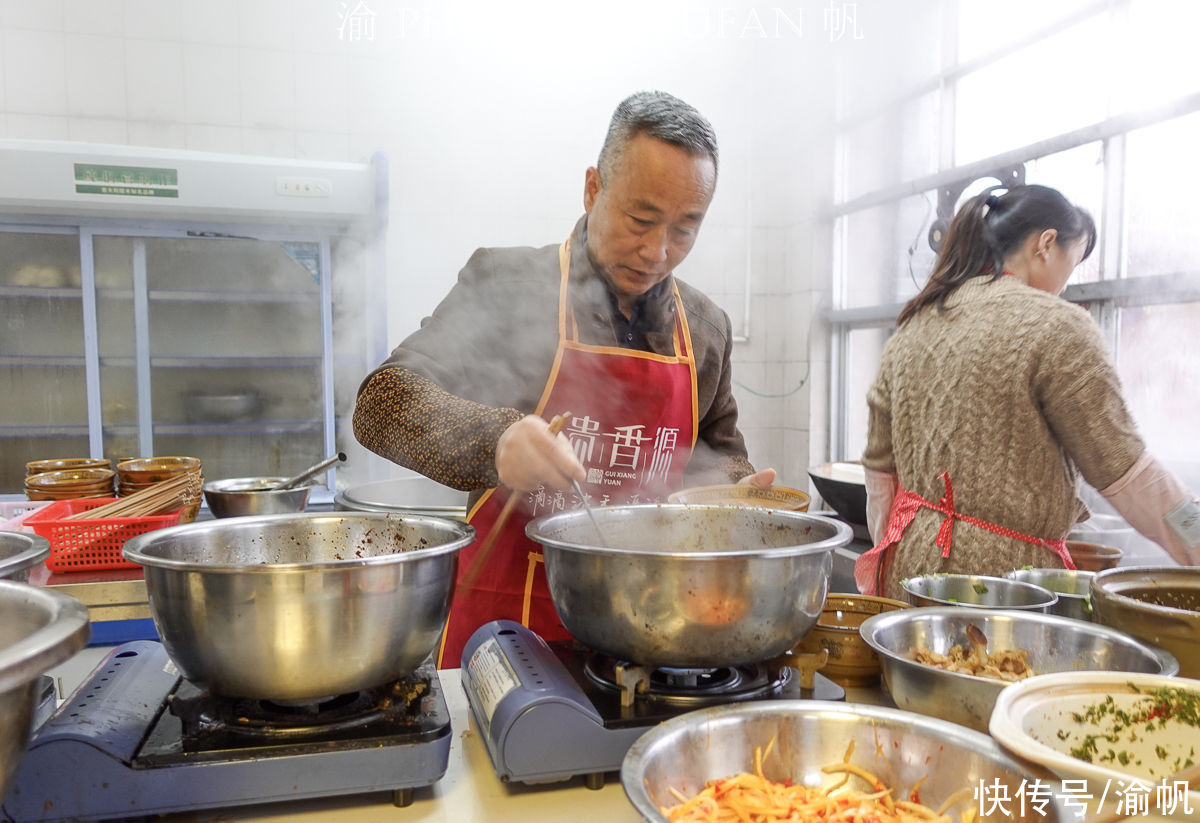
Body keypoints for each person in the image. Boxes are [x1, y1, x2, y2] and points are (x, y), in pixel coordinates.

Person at [354, 91, 775, 667]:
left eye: (684, 229)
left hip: (652, 636)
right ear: (593, 189)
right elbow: (380, 404)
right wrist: (496, 441)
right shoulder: (507, 286)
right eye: (641, 219)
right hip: (506, 634)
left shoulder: (704, 331)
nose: (657, 251)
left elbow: (721, 456)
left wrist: (733, 496)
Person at [855, 184, 1200, 599]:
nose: (1066, 286)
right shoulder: (1056, 327)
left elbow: (879, 473)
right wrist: (1195, 534)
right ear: (1046, 244)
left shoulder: (914, 325)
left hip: (910, 574)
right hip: (1008, 589)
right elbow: (1126, 471)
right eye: (1071, 265)